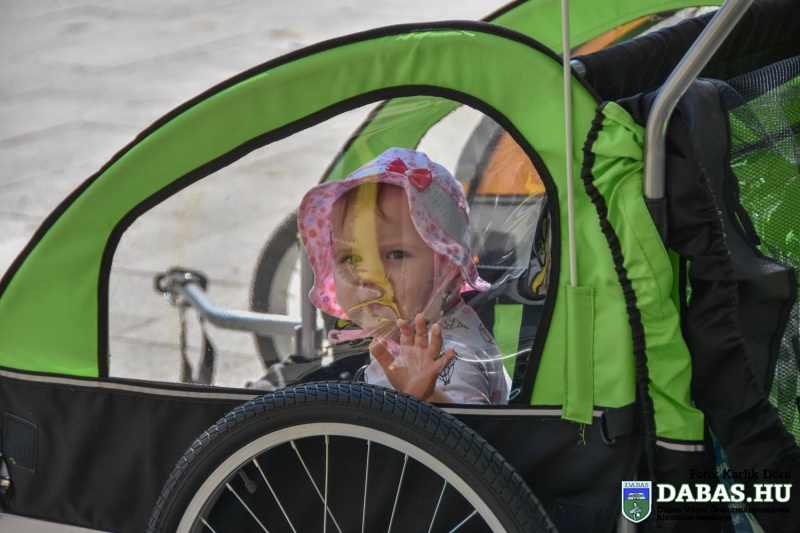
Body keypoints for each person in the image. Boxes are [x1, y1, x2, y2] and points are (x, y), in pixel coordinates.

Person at [298, 148, 510, 404]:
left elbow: (465, 427)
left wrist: (429, 397)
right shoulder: (407, 333)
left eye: (396, 254)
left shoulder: (444, 354)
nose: (368, 276)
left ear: (452, 270)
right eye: (351, 259)